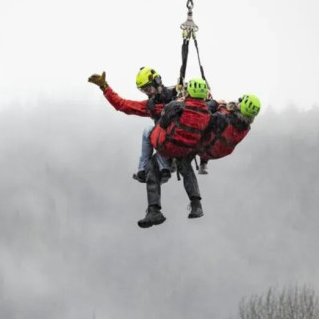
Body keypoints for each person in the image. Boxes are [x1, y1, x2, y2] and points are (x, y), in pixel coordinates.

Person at [138, 78, 212, 228]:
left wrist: (174, 103)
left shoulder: (177, 105)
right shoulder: (208, 109)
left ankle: (153, 209)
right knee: (185, 166)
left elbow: (164, 122)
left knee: (152, 167)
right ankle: (196, 204)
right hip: (189, 148)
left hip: (171, 144)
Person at [87, 67, 177, 182]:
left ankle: (161, 167)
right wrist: (105, 87)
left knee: (152, 131)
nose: (148, 93)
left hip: (180, 136)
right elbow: (123, 104)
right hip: (166, 143)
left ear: (157, 81)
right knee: (148, 131)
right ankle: (144, 169)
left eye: (148, 88)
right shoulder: (150, 106)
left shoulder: (176, 93)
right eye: (144, 91)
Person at [197, 94, 261, 171]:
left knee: (202, 115)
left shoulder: (223, 118)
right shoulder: (246, 128)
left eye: (241, 101)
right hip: (215, 153)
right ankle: (203, 163)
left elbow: (204, 112)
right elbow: (232, 118)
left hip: (203, 149)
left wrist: (215, 102)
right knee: (216, 135)